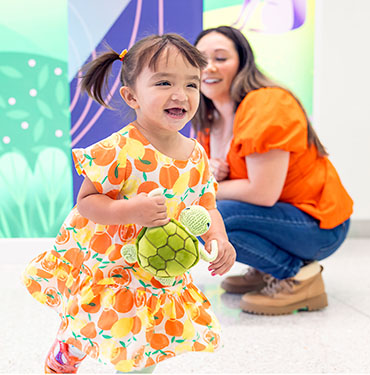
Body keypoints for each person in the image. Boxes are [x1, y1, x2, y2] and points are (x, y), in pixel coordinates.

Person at [23, 33, 236, 374]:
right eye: (164, 82)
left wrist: (219, 237)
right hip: (113, 264)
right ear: (131, 96)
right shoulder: (118, 148)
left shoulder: (196, 154)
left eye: (191, 85)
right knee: (93, 320)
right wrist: (130, 210)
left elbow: (207, 205)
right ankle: (70, 347)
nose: (180, 94)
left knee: (141, 345)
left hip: (158, 271)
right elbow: (87, 203)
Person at [193, 26, 353, 316]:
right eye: (201, 59)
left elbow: (262, 193)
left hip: (317, 226)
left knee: (210, 215)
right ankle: (266, 268)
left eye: (221, 58)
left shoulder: (266, 103)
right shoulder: (208, 117)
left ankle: (296, 276)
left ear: (242, 63)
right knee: (206, 210)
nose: (210, 67)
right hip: (283, 219)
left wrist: (205, 186)